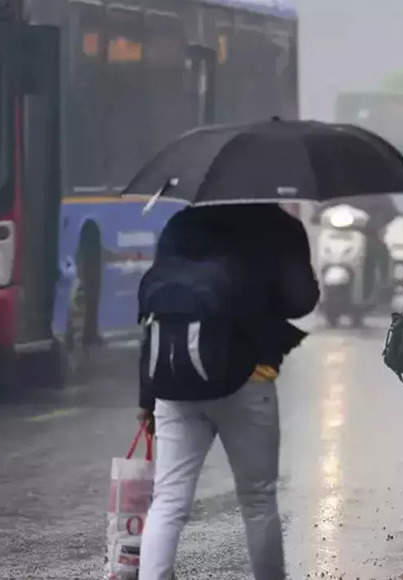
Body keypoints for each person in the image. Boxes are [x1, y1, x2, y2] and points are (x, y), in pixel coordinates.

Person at [137, 204, 319, 580]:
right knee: (257, 500)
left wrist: (147, 397)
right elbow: (301, 302)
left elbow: (162, 311)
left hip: (175, 380)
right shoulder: (280, 226)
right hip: (249, 378)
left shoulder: (182, 223)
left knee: (168, 501)